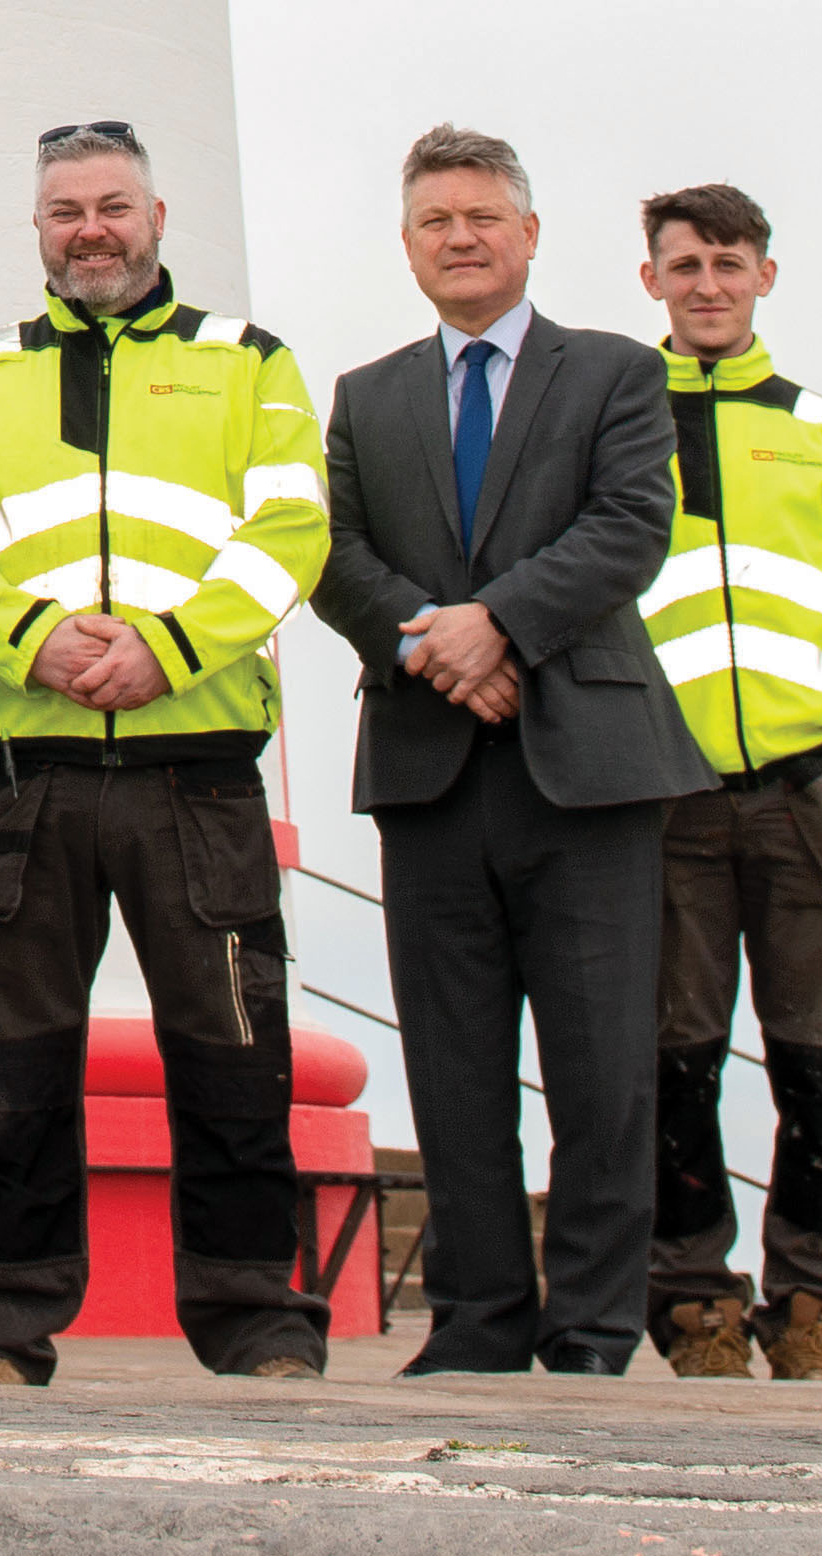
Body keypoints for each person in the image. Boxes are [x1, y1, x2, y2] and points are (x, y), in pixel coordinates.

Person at [0, 120, 339, 1388]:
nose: (88, 228)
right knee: (7, 1056)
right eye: (62, 210)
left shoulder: (250, 364)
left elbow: (290, 528)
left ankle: (257, 1320)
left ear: (155, 214)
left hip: (195, 767)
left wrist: (172, 646)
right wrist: (31, 639)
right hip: (25, 773)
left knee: (232, 1052)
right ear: (35, 229)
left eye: (110, 204)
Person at [309, 125, 705, 1376]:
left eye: (482, 216)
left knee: (600, 1068)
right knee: (455, 1058)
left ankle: (592, 1324)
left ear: (527, 234)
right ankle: (476, 1319)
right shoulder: (366, 396)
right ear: (409, 244)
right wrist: (437, 647)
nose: (460, 237)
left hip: (588, 767)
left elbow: (629, 525)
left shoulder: (614, 375)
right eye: (436, 220)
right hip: (430, 767)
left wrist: (501, 626)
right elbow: (333, 549)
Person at [626, 182, 822, 1385]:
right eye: (684, 262)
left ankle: (815, 1307)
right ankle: (692, 1302)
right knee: (673, 1059)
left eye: (728, 262)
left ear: (764, 275)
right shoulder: (609, 413)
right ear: (648, 277)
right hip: (665, 798)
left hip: (811, 795)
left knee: (821, 1062)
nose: (707, 283)